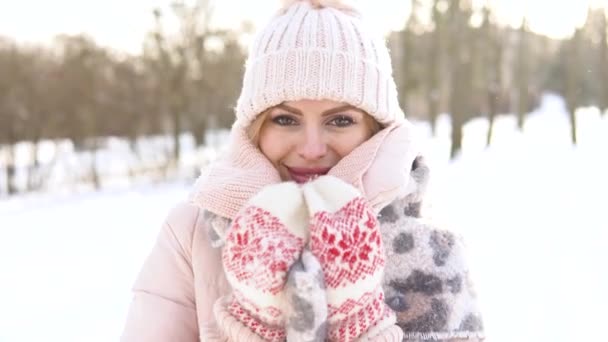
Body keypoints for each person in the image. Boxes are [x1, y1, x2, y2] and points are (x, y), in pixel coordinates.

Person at [121, 0, 484, 341]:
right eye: (284, 119)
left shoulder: (432, 249)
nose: (311, 149)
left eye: (340, 120)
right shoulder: (194, 235)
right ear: (254, 128)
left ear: (377, 129)